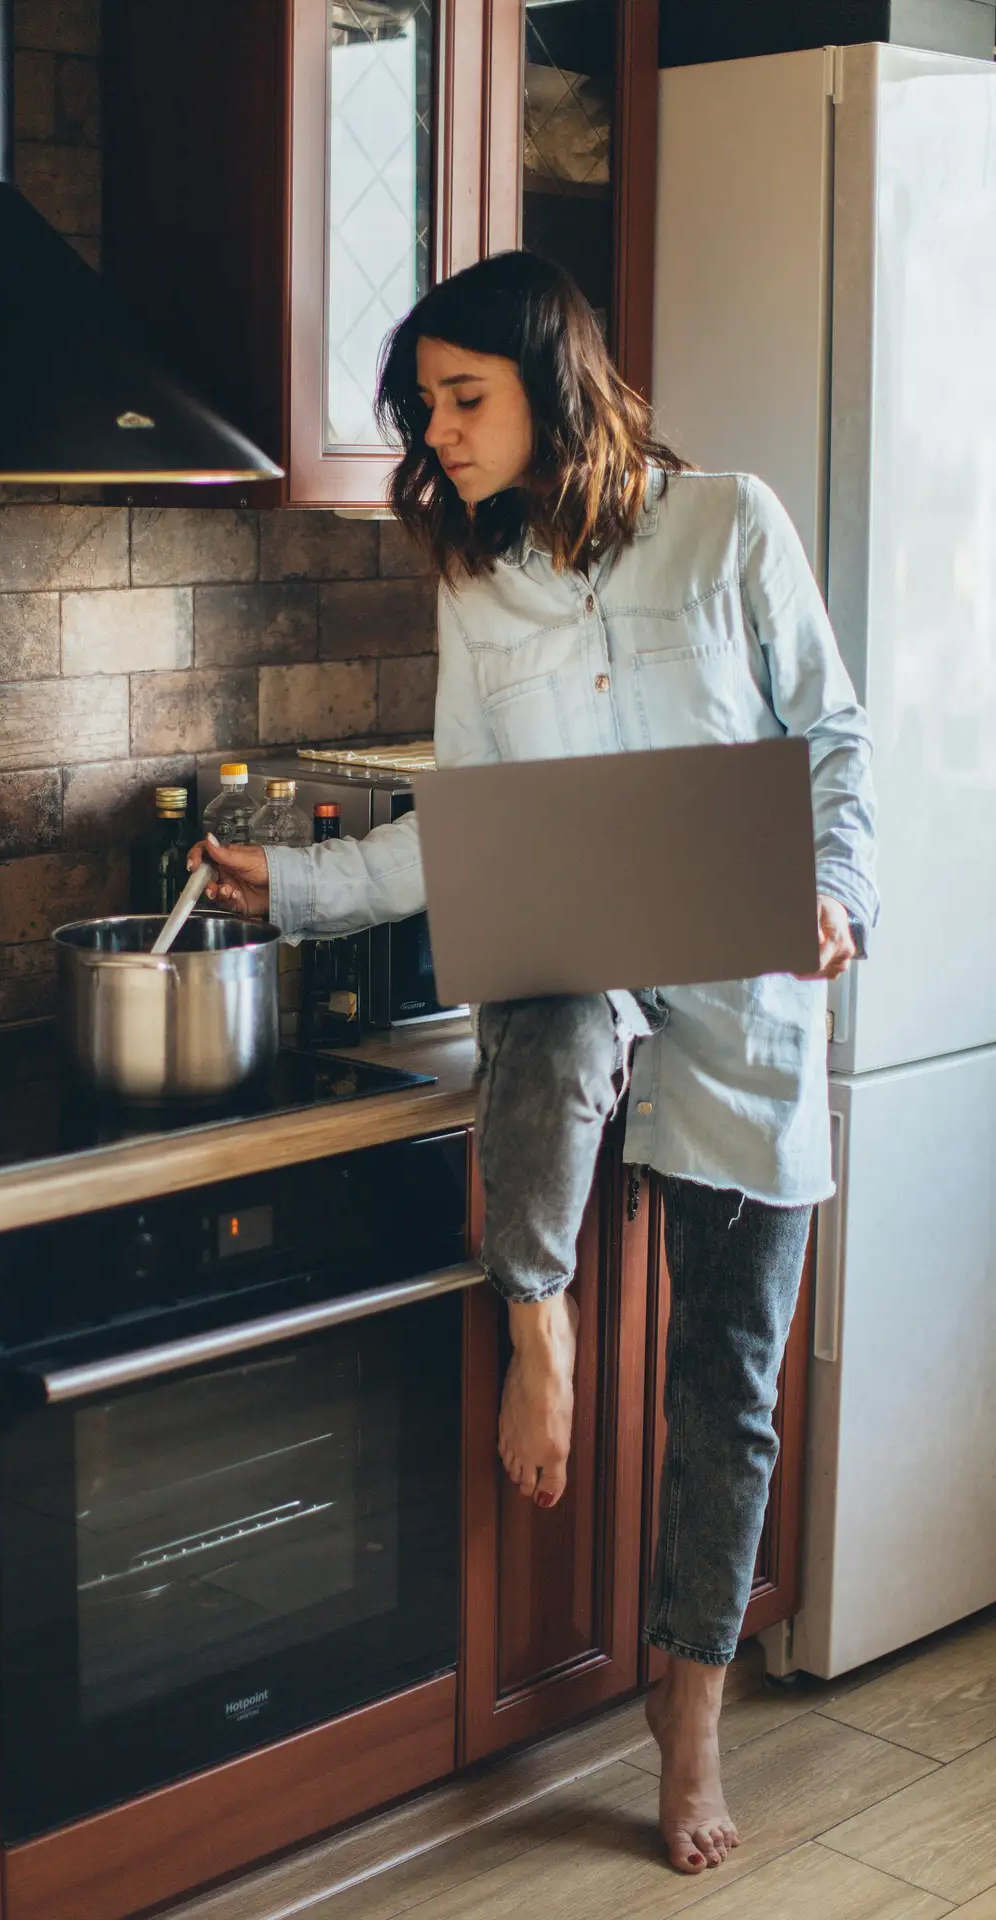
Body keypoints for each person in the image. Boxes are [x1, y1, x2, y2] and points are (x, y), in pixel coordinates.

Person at [190, 252, 877, 1877]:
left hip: (749, 992)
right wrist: (296, 892)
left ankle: (686, 1715)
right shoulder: (477, 581)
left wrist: (838, 898)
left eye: (462, 397)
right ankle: (538, 1316)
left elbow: (834, 743)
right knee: (558, 1016)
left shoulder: (733, 528)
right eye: (425, 405)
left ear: (555, 381)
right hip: (575, 977)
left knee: (734, 1394)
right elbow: (466, 827)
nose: (438, 433)